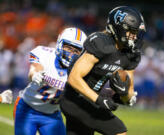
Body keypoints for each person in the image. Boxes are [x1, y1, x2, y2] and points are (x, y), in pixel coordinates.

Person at [59, 6, 146, 135]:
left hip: (89, 99)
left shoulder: (130, 54)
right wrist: (99, 100)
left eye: (136, 33)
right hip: (74, 99)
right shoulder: (101, 43)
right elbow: (74, 78)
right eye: (131, 32)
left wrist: (123, 94)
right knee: (119, 131)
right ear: (120, 28)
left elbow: (129, 95)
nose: (134, 37)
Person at [13, 27, 87, 135]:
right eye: (68, 48)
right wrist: (35, 74)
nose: (71, 54)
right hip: (27, 109)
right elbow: (35, 67)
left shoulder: (80, 70)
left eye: (76, 50)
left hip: (52, 115)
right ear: (59, 43)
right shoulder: (44, 54)